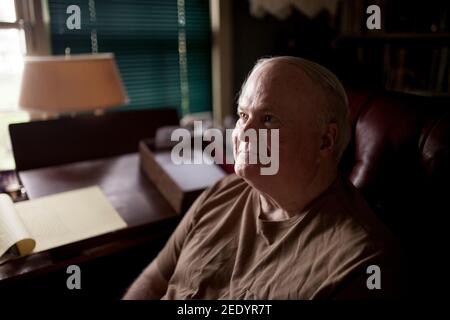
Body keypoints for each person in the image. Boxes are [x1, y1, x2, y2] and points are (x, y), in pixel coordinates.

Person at [123, 56, 399, 300]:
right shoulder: (222, 191)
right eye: (243, 115)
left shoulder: (361, 264)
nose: (244, 132)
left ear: (325, 141)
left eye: (268, 119)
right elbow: (155, 279)